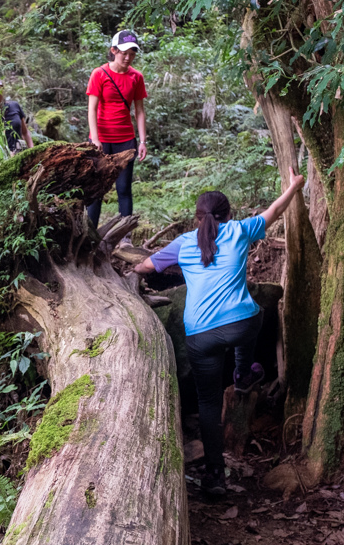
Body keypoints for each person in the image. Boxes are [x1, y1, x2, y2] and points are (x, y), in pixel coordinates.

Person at [133, 168, 305, 496]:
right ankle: (242, 373)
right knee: (256, 313)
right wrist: (295, 184)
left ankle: (215, 477)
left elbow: (146, 267)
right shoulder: (240, 231)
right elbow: (276, 210)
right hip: (242, 326)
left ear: (197, 217)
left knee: (209, 405)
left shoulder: (184, 243)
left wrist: (134, 271)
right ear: (229, 214)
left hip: (200, 335)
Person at [86, 30, 148, 229]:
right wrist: (95, 139)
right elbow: (92, 109)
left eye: (132, 53)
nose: (128, 57)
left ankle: (125, 237)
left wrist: (143, 141)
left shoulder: (136, 77)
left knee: (124, 189)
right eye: (124, 53)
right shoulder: (100, 74)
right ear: (113, 50)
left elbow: (139, 111)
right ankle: (90, 236)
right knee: (95, 191)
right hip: (101, 139)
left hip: (125, 140)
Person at [0, 75, 34, 168]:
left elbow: (25, 132)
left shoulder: (14, 106)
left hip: (21, 155)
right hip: (0, 162)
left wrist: (32, 151)